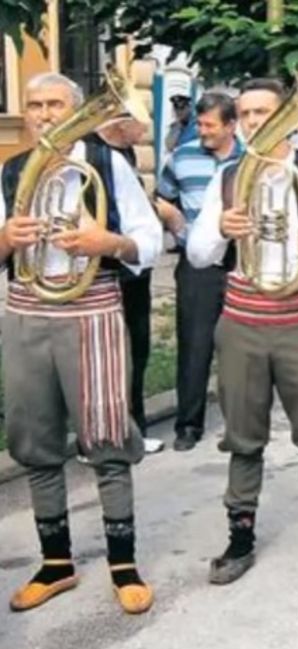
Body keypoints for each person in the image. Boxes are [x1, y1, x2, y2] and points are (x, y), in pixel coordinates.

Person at [187, 77, 298, 584]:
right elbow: (199, 255)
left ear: (288, 116)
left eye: (264, 113)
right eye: (245, 115)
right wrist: (222, 230)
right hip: (243, 317)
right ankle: (239, 540)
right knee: (243, 434)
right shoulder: (229, 177)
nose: (253, 123)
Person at [0, 72, 162, 614]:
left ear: (76, 111)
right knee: (35, 439)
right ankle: (56, 563)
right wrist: (5, 239)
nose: (45, 114)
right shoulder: (11, 172)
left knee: (107, 437)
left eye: (55, 104)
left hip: (92, 309)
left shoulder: (107, 163)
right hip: (27, 312)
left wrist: (105, 241)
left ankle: (123, 563)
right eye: (35, 105)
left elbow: (152, 242)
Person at [156, 92, 243, 452]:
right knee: (195, 344)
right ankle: (188, 425)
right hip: (196, 263)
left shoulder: (252, 159)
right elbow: (162, 198)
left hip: (240, 260)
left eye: (210, 125)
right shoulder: (181, 157)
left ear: (230, 126)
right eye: (200, 124)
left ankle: (240, 422)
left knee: (240, 347)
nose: (202, 131)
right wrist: (176, 226)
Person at [96, 118, 162, 454]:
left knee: (136, 350)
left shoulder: (127, 156)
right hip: (112, 272)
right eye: (139, 123)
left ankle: (134, 425)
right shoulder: (100, 157)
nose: (145, 130)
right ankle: (112, 431)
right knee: (115, 355)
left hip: (135, 271)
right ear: (120, 126)